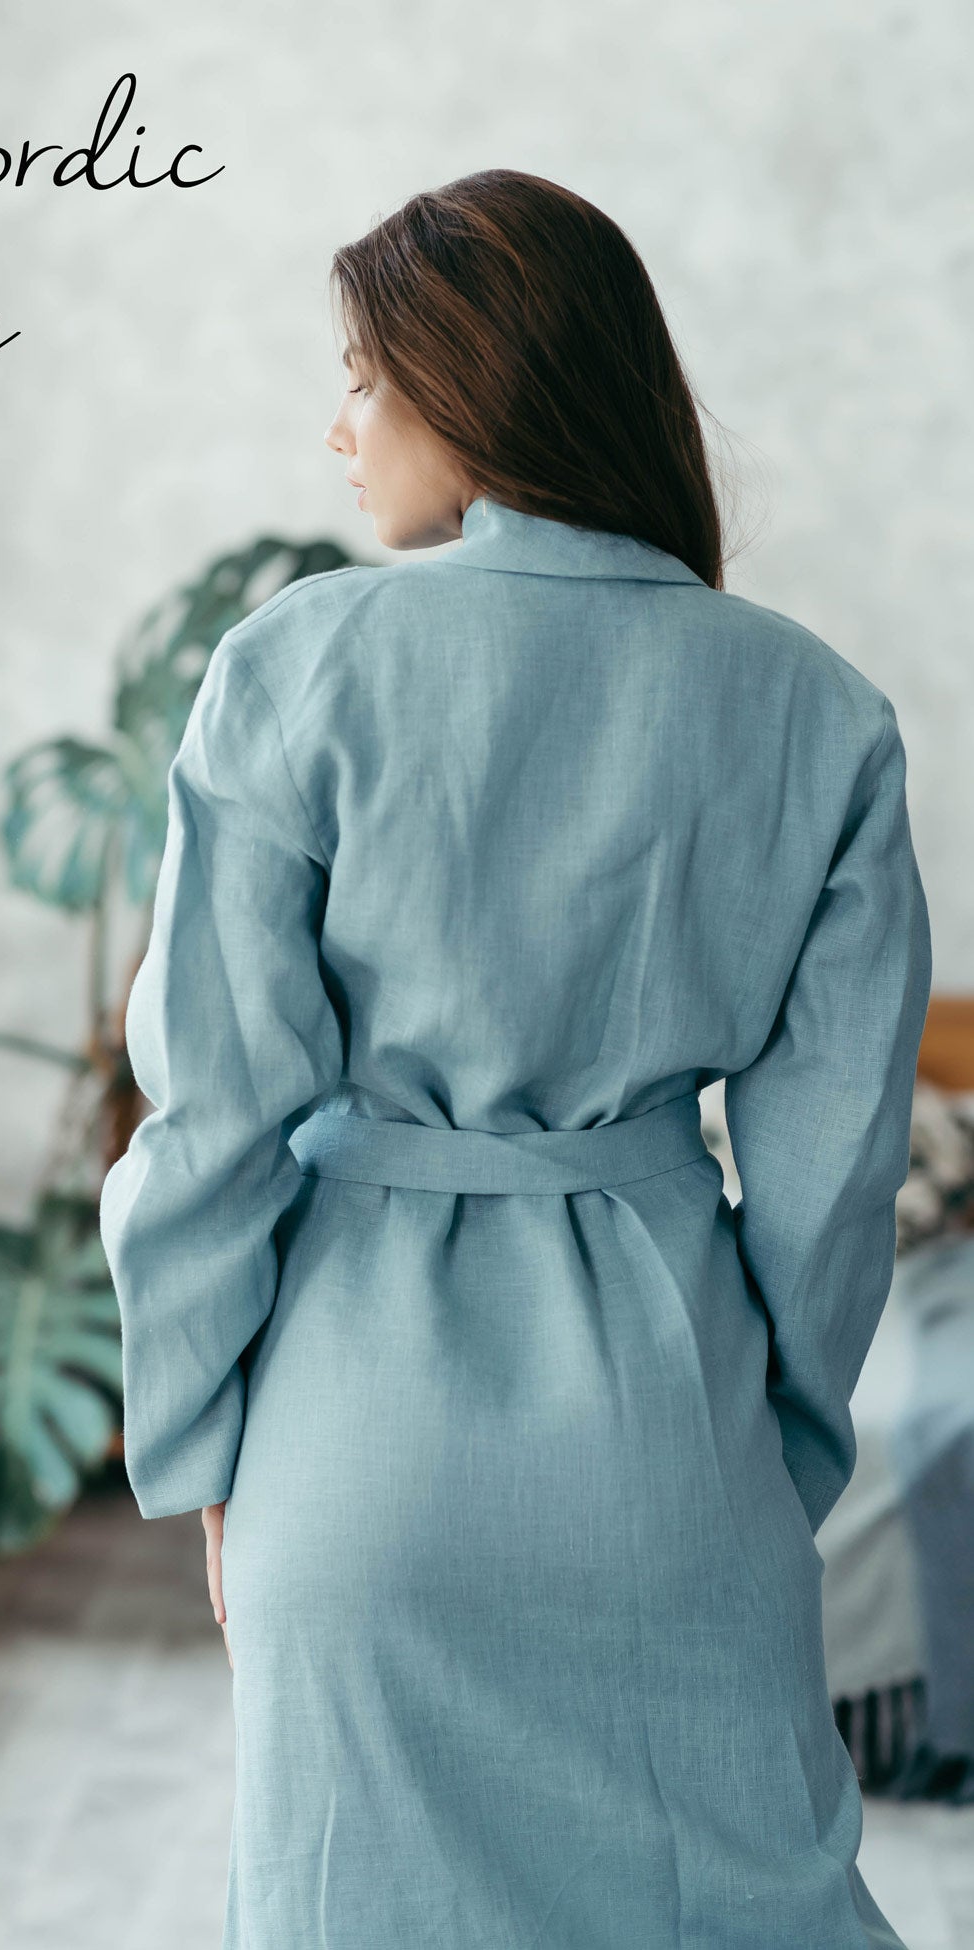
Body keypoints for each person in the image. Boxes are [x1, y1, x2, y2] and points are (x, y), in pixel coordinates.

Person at [98, 168, 932, 1949]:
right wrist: (765, 1453)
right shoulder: (818, 709)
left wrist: (206, 1447)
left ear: (466, 382)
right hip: (670, 1433)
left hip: (352, 1444)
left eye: (363, 379)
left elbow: (212, 1118)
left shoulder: (296, 667)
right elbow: (834, 1173)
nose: (339, 429)